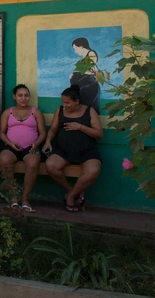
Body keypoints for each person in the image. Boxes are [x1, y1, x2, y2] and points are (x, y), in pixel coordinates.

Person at [43, 84, 103, 213]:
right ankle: (72, 190)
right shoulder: (60, 111)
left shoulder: (89, 111)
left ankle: (70, 196)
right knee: (51, 166)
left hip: (87, 151)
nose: (65, 105)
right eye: (63, 102)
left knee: (93, 171)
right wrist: (48, 141)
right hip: (63, 151)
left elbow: (99, 134)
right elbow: (53, 129)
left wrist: (80, 127)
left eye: (67, 103)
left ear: (77, 101)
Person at [0, 84, 47, 212]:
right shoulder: (7, 112)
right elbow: (2, 133)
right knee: (4, 160)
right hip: (11, 146)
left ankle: (25, 199)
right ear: (14, 97)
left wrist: (36, 144)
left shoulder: (35, 112)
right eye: (20, 95)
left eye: (26, 95)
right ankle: (13, 198)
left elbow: (43, 133)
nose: (23, 98)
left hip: (30, 148)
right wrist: (9, 143)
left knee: (33, 163)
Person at [69, 37, 100, 113]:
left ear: (82, 47)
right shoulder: (82, 59)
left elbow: (90, 69)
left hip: (88, 86)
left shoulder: (91, 54)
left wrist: (76, 73)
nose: (75, 51)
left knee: (88, 110)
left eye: (76, 48)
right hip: (81, 87)